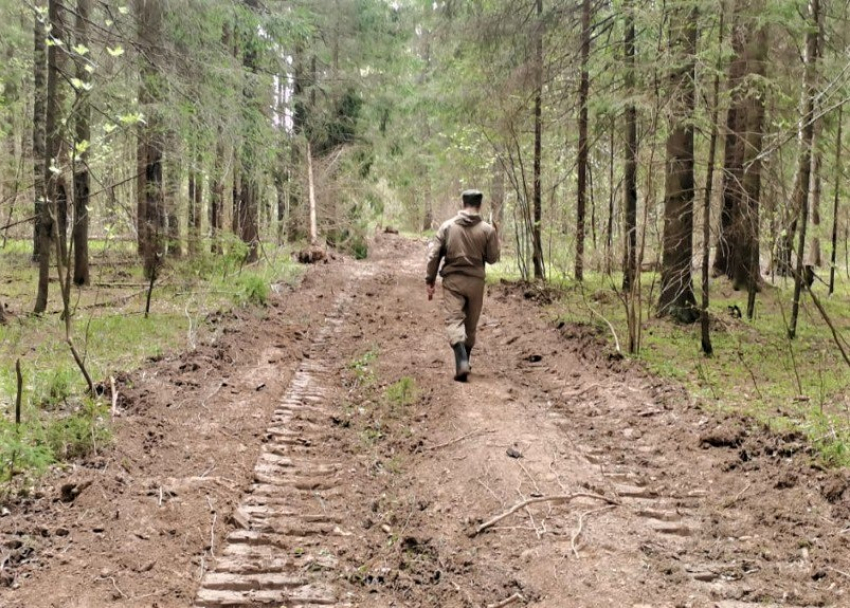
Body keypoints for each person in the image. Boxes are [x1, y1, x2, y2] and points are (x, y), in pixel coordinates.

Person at [425, 189, 500, 381]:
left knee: (454, 320)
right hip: (476, 282)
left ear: (463, 203)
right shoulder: (487, 230)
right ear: (480, 205)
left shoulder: (447, 226)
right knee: (470, 325)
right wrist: (495, 236)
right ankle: (465, 361)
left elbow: (434, 255)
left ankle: (461, 362)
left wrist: (430, 280)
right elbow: (492, 259)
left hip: (453, 282)